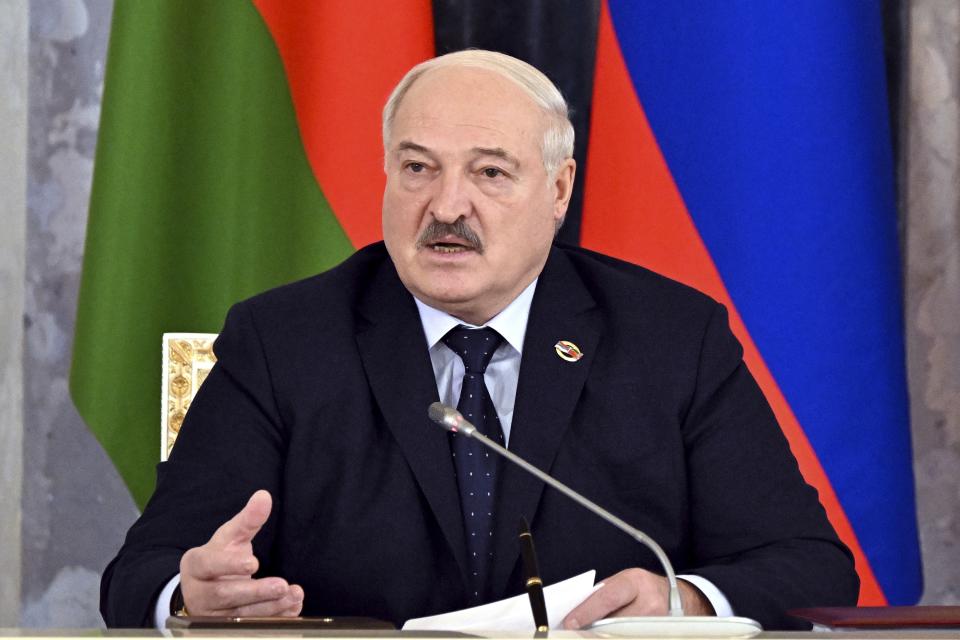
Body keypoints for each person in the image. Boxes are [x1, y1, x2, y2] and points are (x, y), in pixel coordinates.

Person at [100, 50, 859, 630]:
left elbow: (811, 568)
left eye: (490, 172)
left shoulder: (671, 337)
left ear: (558, 190)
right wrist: (191, 596)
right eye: (417, 169)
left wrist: (683, 598)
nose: (447, 206)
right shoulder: (282, 341)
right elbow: (139, 574)